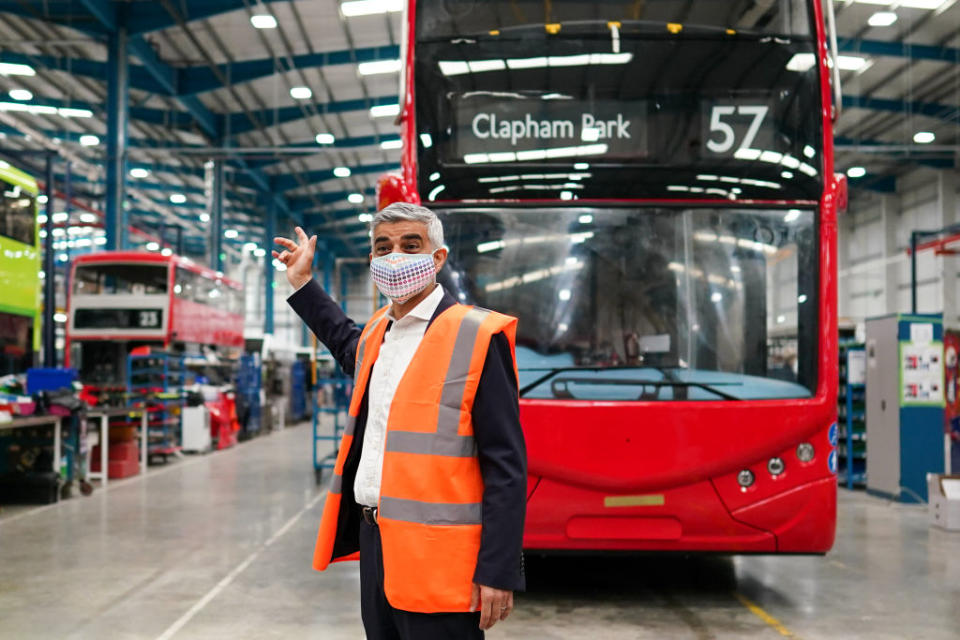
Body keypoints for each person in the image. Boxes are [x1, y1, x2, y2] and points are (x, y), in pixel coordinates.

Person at [273, 202, 527, 639]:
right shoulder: (378, 334)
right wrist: (302, 284)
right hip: (377, 542)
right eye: (383, 247)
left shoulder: (476, 335)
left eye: (411, 245)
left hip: (442, 558)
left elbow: (506, 465)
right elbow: (342, 339)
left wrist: (498, 569)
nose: (396, 257)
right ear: (372, 261)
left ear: (438, 258)